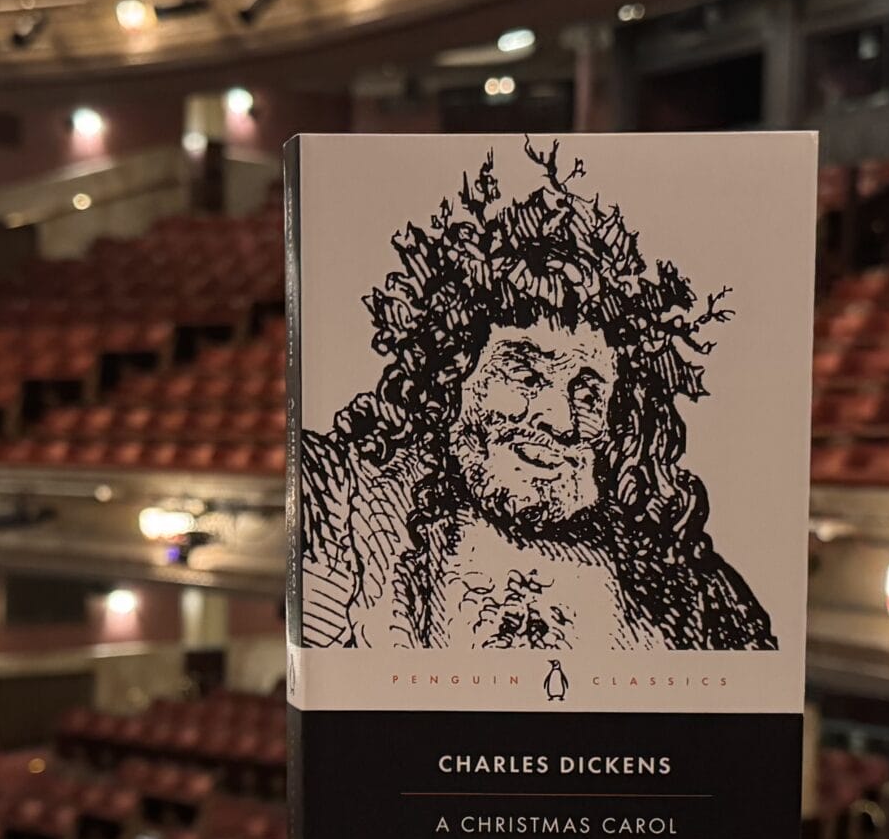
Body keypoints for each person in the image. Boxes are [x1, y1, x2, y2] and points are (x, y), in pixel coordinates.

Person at [295, 139, 776, 653]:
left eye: (588, 393)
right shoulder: (344, 508)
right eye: (523, 374)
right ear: (450, 378)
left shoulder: (692, 595)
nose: (559, 419)